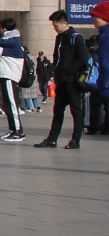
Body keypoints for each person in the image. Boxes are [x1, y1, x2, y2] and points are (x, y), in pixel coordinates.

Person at [35, 10, 90, 150]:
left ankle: (75, 140)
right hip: (61, 80)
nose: (55, 28)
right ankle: (52, 139)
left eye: (56, 25)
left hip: (72, 81)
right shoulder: (59, 38)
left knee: (76, 111)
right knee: (58, 111)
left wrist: (69, 70)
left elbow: (83, 58)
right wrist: (55, 72)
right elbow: (57, 57)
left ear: (65, 23)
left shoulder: (76, 37)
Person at [0, 17, 26, 142]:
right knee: (8, 104)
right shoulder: (9, 40)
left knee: (12, 104)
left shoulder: (12, 41)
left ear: (4, 28)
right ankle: (13, 129)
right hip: (5, 75)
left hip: (10, 77)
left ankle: (18, 131)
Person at [88, 2, 109, 137]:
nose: (94, 19)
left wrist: (102, 85)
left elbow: (106, 64)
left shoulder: (105, 36)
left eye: (97, 16)